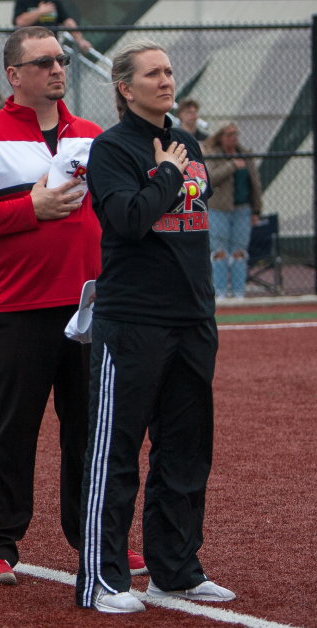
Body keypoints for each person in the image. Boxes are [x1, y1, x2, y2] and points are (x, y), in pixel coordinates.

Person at [0, 25, 136, 587]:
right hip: (20, 307)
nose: (57, 69)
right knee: (9, 430)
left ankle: (98, 539)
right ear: (14, 75)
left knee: (92, 434)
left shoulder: (94, 135)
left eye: (61, 60)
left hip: (92, 307)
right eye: (44, 62)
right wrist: (29, 209)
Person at [77, 40, 235, 614]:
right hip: (133, 322)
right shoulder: (110, 148)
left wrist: (175, 165)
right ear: (125, 87)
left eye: (169, 71)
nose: (167, 80)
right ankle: (102, 580)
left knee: (185, 452)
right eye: (153, 73)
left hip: (193, 319)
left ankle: (175, 571)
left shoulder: (187, 141)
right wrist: (167, 171)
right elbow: (129, 219)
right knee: (116, 454)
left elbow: (195, 207)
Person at [205, 121, 262, 299]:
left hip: (242, 209)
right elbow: (209, 178)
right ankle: (220, 292)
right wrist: (231, 166)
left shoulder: (245, 154)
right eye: (229, 134)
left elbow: (255, 183)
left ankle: (239, 293)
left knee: (239, 251)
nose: (233, 138)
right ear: (221, 137)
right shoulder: (213, 155)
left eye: (235, 134)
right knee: (219, 251)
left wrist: (256, 210)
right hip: (218, 209)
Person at [13, 1, 91, 53]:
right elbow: (20, 22)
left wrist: (80, 40)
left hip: (50, 48)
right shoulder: (24, 1)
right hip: (30, 48)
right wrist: (40, 12)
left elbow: (68, 21)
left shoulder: (54, 2)